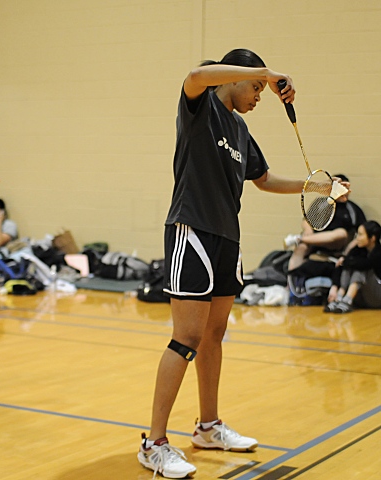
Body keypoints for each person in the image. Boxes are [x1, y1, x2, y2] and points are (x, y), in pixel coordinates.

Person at [138, 49, 330, 479]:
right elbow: (195, 73)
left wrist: (315, 186)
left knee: (213, 335)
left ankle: (208, 427)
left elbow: (263, 179)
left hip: (227, 237)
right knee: (186, 337)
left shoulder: (241, 129)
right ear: (233, 78)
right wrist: (267, 72)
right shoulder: (199, 106)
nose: (259, 95)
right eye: (255, 88)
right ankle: (154, 444)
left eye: (262, 89)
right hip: (193, 230)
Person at [284, 174, 366, 272]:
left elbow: (363, 231)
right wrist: (308, 230)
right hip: (314, 240)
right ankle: (291, 276)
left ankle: (298, 239)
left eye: (346, 189)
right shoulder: (321, 202)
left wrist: (349, 250)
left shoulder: (352, 209)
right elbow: (306, 220)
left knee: (341, 233)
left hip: (336, 244)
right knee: (301, 247)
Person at [324, 221, 381, 313]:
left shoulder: (378, 253)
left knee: (359, 268)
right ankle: (339, 297)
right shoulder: (358, 250)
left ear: (372, 238)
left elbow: (366, 264)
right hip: (362, 298)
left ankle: (347, 300)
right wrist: (334, 287)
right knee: (349, 265)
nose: (357, 238)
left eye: (360, 235)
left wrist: (346, 260)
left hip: (377, 297)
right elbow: (341, 264)